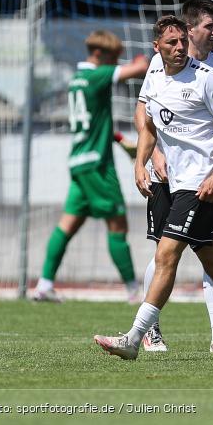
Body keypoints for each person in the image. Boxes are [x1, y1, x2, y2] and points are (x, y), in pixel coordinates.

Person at [94, 15, 213, 361]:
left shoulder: (208, 79)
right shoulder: (154, 75)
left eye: (183, 41)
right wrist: (140, 163)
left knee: (166, 254)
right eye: (172, 43)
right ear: (158, 48)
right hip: (174, 183)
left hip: (199, 185)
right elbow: (150, 126)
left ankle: (135, 338)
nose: (180, 48)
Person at [33, 30, 149, 303]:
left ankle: (44, 284)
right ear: (99, 54)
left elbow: (96, 121)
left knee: (67, 225)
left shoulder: (76, 80)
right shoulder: (97, 76)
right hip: (97, 164)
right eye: (112, 58)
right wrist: (145, 57)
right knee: (117, 224)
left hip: (78, 161)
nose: (114, 64)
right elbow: (139, 68)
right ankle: (134, 292)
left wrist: (120, 139)